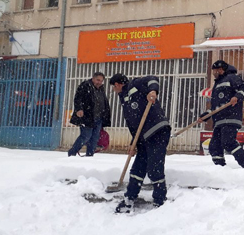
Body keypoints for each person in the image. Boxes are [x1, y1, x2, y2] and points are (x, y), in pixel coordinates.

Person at [109, 73, 171, 213]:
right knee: (137, 169)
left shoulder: (135, 84)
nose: (114, 90)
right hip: (142, 137)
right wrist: (133, 144)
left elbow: (152, 78)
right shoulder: (124, 99)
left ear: (117, 85)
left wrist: (153, 90)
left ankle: (160, 201)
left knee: (155, 168)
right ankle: (129, 199)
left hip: (157, 130)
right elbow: (134, 124)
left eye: (114, 87)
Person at [198, 60, 244, 169]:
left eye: (214, 70)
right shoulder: (217, 84)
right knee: (214, 146)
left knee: (228, 142)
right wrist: (205, 116)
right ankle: (220, 168)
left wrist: (237, 97)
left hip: (230, 117)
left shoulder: (232, 78)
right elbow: (215, 108)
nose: (214, 73)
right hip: (219, 121)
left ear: (220, 70)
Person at [68, 72, 111, 157]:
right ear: (93, 78)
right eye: (98, 80)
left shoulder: (100, 89)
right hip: (87, 117)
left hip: (98, 118)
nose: (99, 82)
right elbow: (78, 98)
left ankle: (90, 156)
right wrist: (79, 109)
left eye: (101, 81)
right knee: (85, 136)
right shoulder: (85, 85)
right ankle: (72, 153)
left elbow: (103, 102)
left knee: (94, 139)